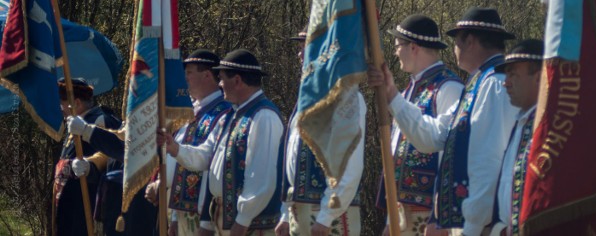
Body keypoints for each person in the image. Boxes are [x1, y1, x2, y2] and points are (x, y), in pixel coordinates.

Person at [369, 7, 519, 236]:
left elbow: (487, 161)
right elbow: (436, 137)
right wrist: (391, 94)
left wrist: (470, 225)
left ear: (470, 41)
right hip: (469, 219)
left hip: (480, 223)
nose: (454, 49)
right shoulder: (478, 84)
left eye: (456, 41)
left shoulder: (494, 84)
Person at [158, 49, 284, 236]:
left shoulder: (263, 116)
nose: (220, 84)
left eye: (222, 78)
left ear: (237, 80)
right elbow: (206, 156)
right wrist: (175, 148)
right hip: (226, 217)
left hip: (250, 225)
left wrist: (242, 221)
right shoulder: (232, 116)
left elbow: (261, 177)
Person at [376, 15, 463, 236]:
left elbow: (450, 156)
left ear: (413, 47)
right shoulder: (409, 91)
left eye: (398, 46)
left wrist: (440, 218)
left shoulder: (448, 87)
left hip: (428, 216)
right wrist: (390, 218)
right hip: (402, 213)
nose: (396, 53)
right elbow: (396, 153)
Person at [276, 30, 365, 236]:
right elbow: (293, 159)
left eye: (305, 48)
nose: (300, 55)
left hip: (329, 215)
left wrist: (326, 217)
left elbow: (348, 165)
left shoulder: (345, 97)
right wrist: (285, 212)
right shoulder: (306, 98)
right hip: (300, 212)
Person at [147, 49, 232, 236]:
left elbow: (210, 164)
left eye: (189, 73)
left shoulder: (224, 114)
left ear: (207, 75)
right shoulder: (190, 111)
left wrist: (206, 222)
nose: (184, 78)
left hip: (203, 212)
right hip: (181, 209)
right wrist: (175, 217)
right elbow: (179, 163)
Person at [487, 39, 543, 236]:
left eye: (513, 75)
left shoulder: (547, 127)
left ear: (539, 78)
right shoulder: (522, 123)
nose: (505, 82)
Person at [53, 77, 121, 236]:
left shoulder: (101, 119)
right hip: (70, 202)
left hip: (87, 202)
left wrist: (90, 166)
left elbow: (112, 154)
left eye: (62, 103)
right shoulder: (74, 124)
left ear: (76, 103)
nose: (60, 108)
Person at [66, 118, 157, 236]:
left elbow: (125, 150)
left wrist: (89, 132)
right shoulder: (125, 129)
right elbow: (107, 157)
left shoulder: (153, 131)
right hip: (113, 209)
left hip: (139, 211)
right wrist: (89, 166)